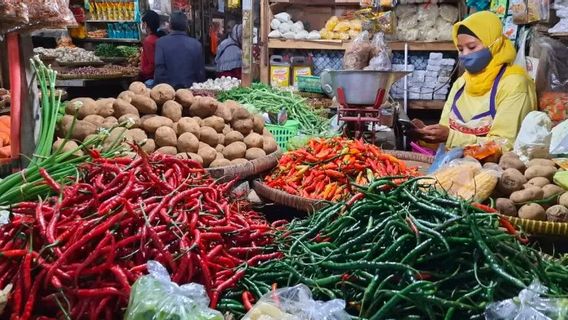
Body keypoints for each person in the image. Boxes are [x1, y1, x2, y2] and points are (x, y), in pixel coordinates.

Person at [412, 11, 537, 150]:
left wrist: (451, 137)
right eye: (460, 49)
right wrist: (426, 134)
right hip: (454, 165)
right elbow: (445, 136)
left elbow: (505, 145)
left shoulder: (514, 84)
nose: (465, 54)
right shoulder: (462, 83)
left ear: (493, 43)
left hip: (496, 169)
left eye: (472, 47)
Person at [154, 11, 206, 89]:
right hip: (191, 91)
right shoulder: (196, 44)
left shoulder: (161, 43)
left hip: (168, 92)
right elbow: (200, 72)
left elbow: (159, 70)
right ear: (186, 26)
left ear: (170, 25)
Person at [139, 10, 163, 87]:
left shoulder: (148, 41)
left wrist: (142, 72)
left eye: (142, 23)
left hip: (151, 78)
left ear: (145, 24)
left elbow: (152, 64)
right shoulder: (158, 37)